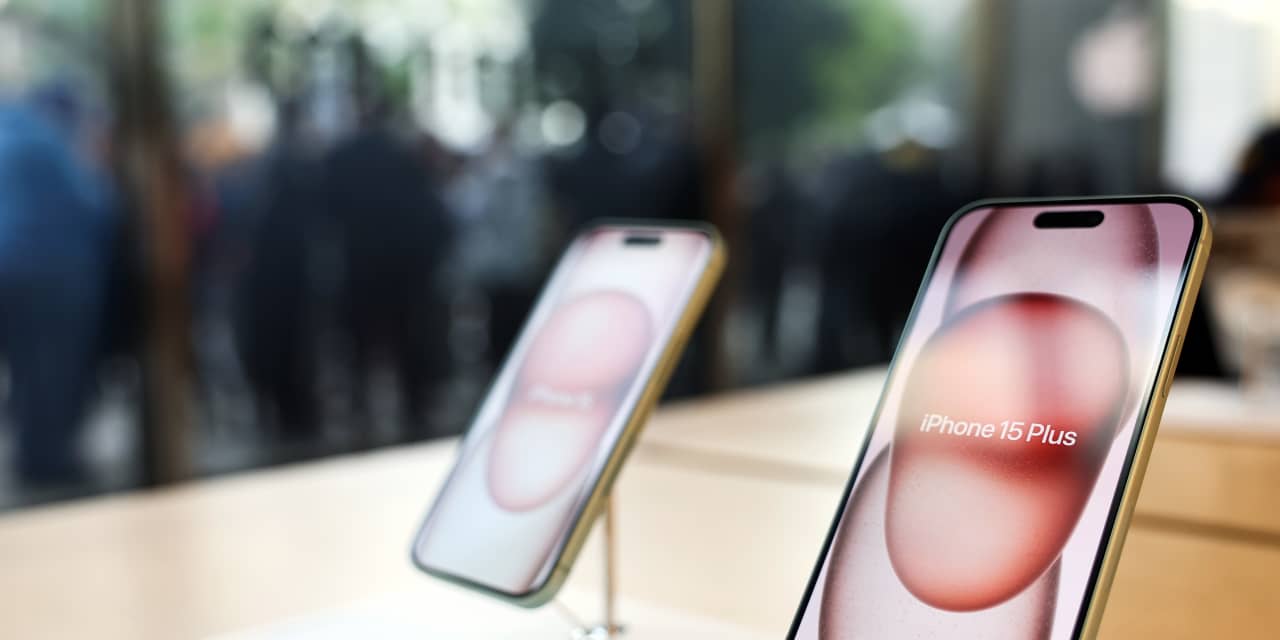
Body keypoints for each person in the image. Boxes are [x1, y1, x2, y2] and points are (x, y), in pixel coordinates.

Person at [0, 98, 118, 484]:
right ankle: (48, 461)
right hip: (54, 273)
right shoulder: (50, 142)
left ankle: (32, 453)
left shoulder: (9, 136)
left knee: (26, 370)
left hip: (11, 269)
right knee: (54, 372)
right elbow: (94, 206)